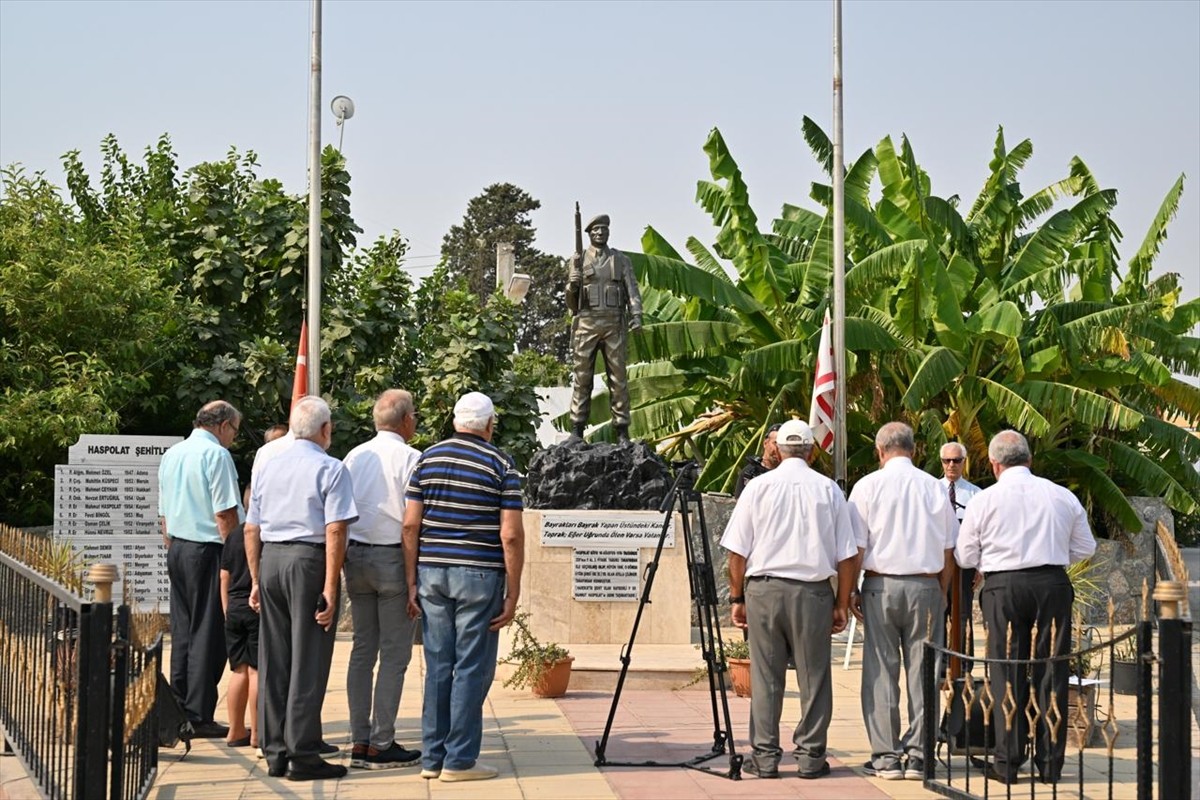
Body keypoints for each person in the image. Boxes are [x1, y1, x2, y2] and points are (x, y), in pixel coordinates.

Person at [956, 430, 1096, 785]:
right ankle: (1050, 763)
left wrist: (991, 562)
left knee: (1006, 670)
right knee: (1053, 670)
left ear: (993, 463)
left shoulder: (984, 499)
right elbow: (1085, 548)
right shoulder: (1060, 496)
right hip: (1051, 581)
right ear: (1030, 459)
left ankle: (1008, 761)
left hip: (1003, 585)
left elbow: (965, 555)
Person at [720, 420, 857, 780]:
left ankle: (765, 758)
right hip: (812, 592)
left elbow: (736, 552)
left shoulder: (758, 487)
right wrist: (841, 603)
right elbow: (847, 555)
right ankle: (811, 757)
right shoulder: (829, 490)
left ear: (777, 450)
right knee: (814, 677)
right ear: (811, 451)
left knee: (766, 677)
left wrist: (737, 598)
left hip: (764, 591)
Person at [403, 392, 524, 783]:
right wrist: (514, 590)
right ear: (489, 425)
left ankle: (431, 758)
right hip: (480, 575)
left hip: (432, 574)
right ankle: (459, 761)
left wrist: (411, 580)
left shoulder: (427, 458)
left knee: (438, 664)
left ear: (455, 421)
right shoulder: (501, 464)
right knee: (471, 667)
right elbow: (510, 535)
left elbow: (410, 525)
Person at [245, 396, 357, 782]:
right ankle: (303, 753)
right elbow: (336, 529)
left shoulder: (267, 465)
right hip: (307, 562)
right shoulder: (331, 468)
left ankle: (275, 751)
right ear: (325, 430)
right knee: (307, 661)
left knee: (275, 660)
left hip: (272, 559)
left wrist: (256, 579)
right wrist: (330, 586)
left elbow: (251, 527)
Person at [847, 422, 956, 781]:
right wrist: (941, 590)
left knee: (880, 672)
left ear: (880, 451)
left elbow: (856, 548)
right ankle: (920, 756)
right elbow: (948, 549)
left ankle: (886, 757)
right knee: (925, 673)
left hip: (880, 586)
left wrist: (850, 590)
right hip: (925, 586)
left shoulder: (867, 486)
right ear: (914, 449)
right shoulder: (934, 487)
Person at [342, 390, 423, 770]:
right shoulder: (411, 458)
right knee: (394, 655)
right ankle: (381, 741)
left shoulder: (354, 456)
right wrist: (412, 579)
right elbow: (411, 524)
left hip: (355, 554)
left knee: (362, 651)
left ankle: (359, 740)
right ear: (406, 420)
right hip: (392, 556)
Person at [157, 400, 244, 738]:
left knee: (183, 631)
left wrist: (174, 545)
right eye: (234, 431)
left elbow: (164, 513)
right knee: (208, 634)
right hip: (208, 550)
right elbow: (225, 513)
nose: (233, 439)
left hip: (178, 547)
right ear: (222, 425)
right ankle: (198, 714)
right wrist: (236, 558)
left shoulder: (173, 453)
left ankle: (179, 707)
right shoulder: (216, 455)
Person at [566, 214, 643, 442]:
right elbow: (572, 305)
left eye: (604, 229)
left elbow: (632, 291)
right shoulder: (578, 260)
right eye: (596, 230)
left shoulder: (620, 260)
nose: (600, 233)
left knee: (618, 379)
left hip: (614, 324)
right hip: (587, 324)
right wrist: (572, 284)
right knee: (582, 378)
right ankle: (576, 430)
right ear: (589, 233)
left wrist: (636, 315)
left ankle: (622, 431)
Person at [939, 441, 981, 658]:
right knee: (938, 614)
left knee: (962, 615)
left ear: (964, 462)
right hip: (938, 564)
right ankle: (940, 664)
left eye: (956, 460)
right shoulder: (932, 490)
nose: (951, 465)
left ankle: (964, 664)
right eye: (947, 460)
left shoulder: (976, 494)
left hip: (964, 566)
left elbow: (983, 534)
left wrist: (980, 567)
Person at [220, 521, 257, 749]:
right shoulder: (265, 531)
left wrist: (226, 609)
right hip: (255, 607)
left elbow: (224, 576)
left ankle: (235, 730)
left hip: (233, 606)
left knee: (238, 670)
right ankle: (258, 734)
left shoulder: (234, 534)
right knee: (256, 671)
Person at [733, 423, 781, 498]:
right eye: (775, 443)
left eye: (782, 445)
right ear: (765, 443)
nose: (778, 448)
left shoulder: (787, 475)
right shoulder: (749, 473)